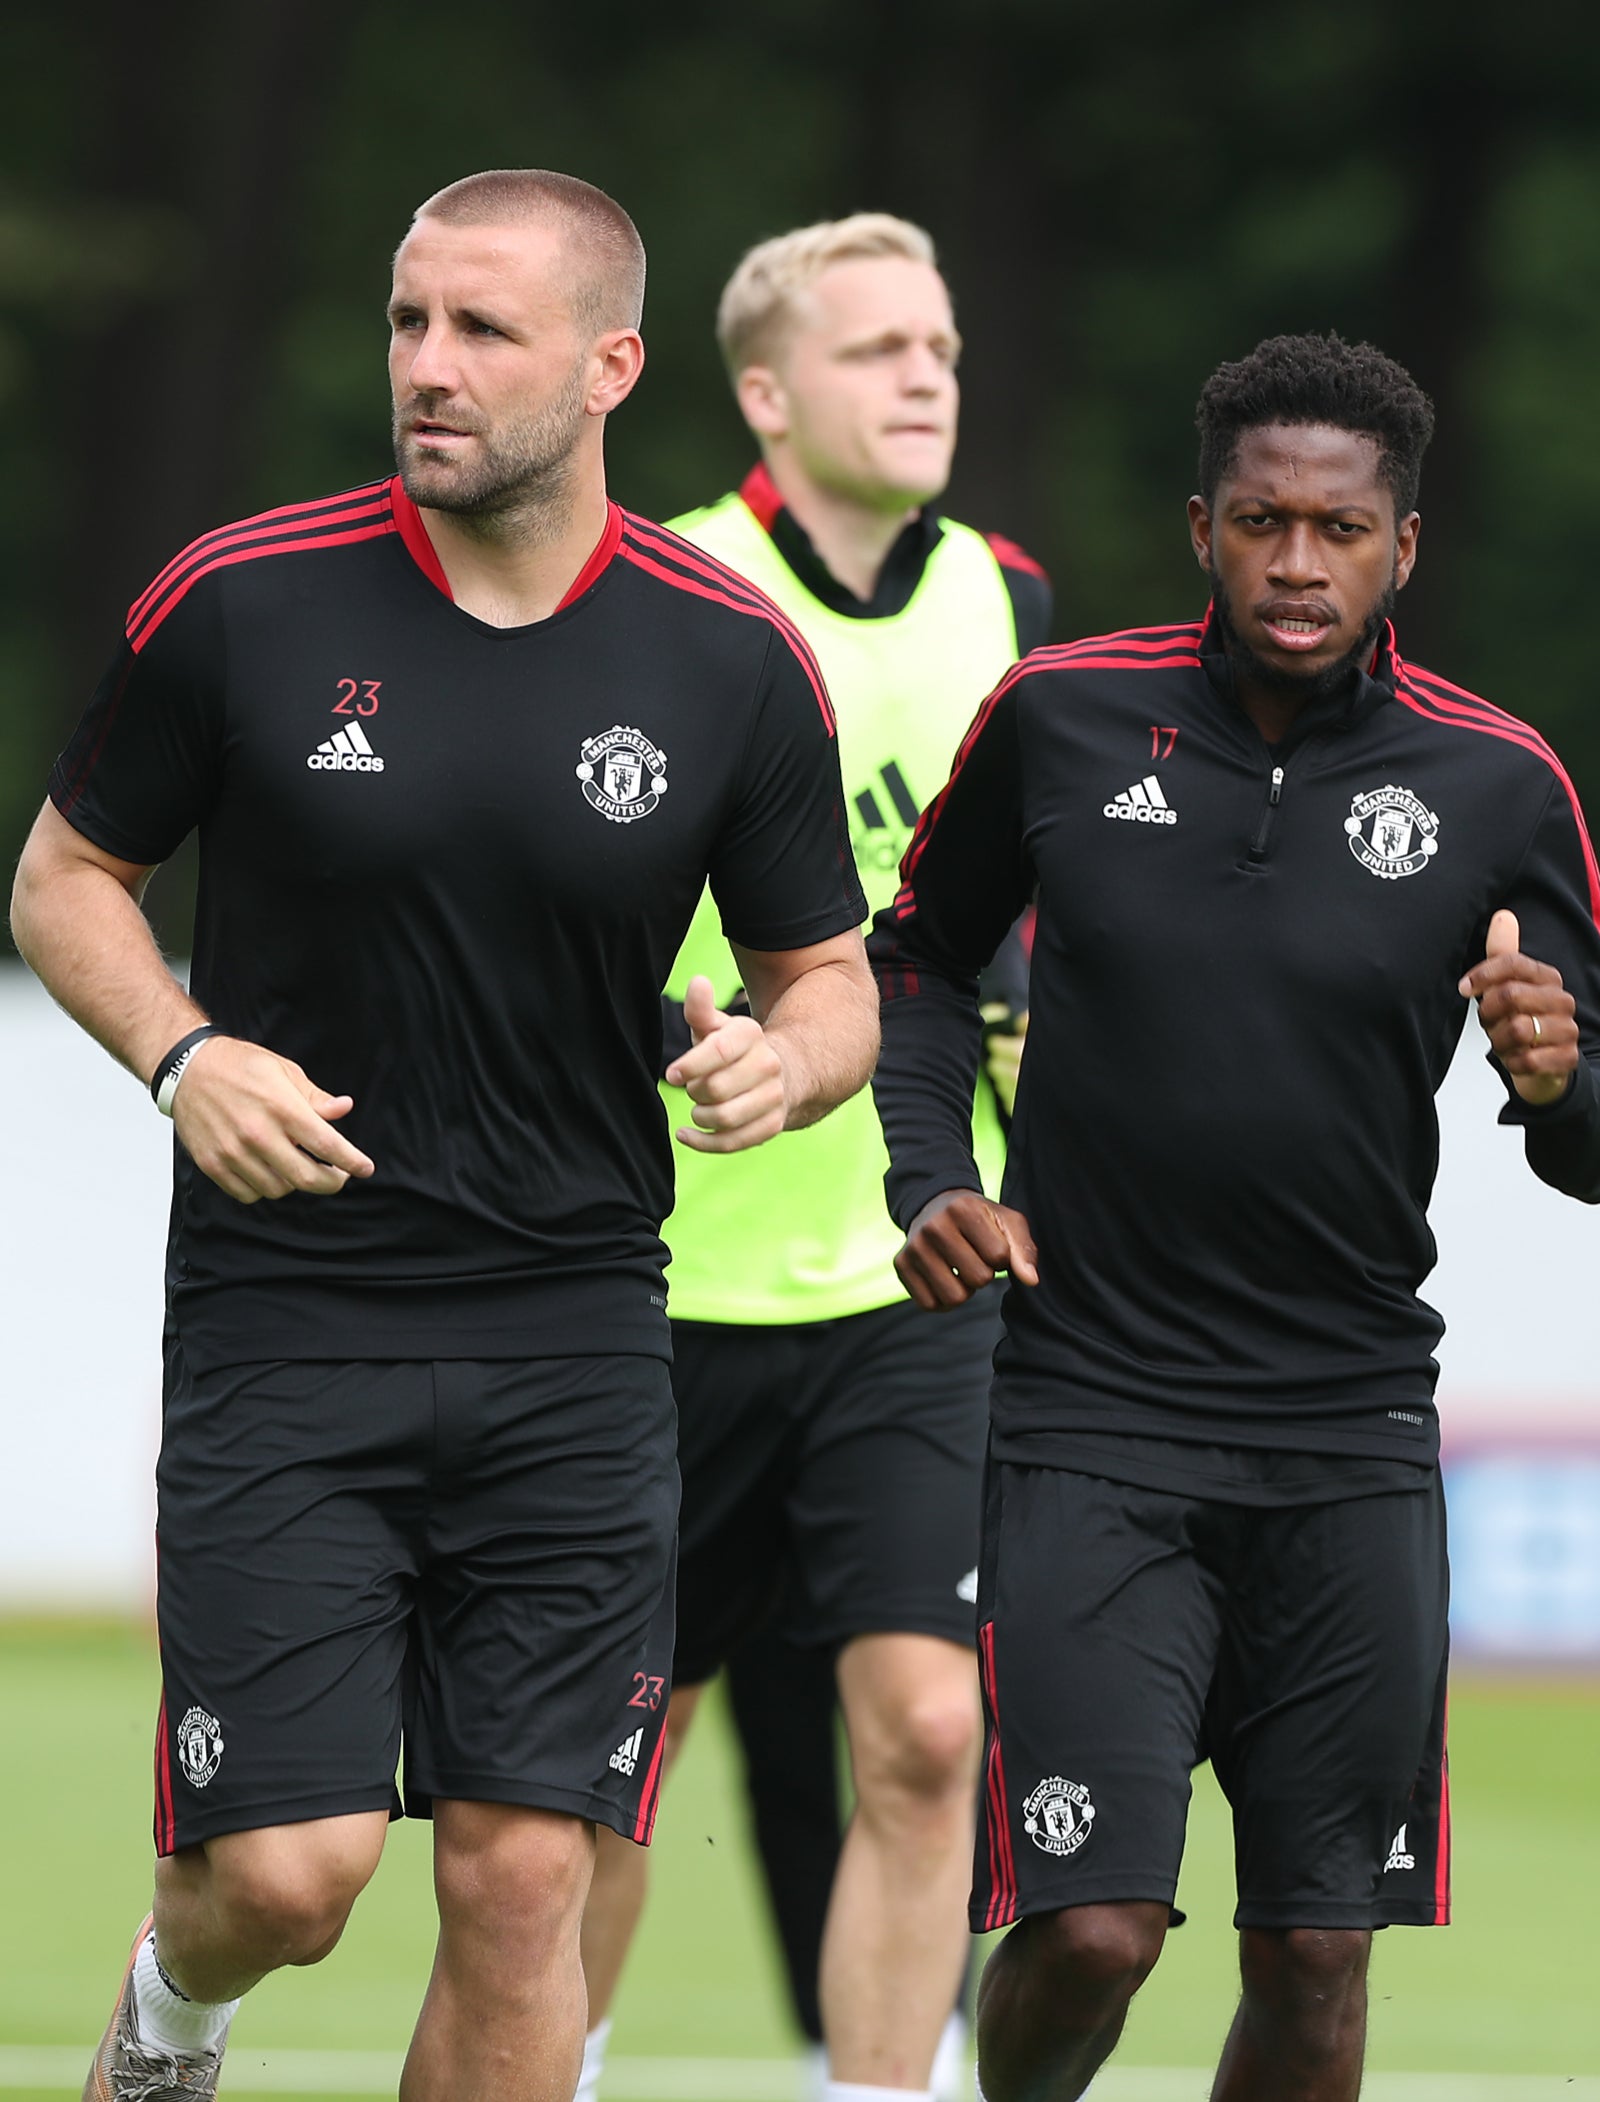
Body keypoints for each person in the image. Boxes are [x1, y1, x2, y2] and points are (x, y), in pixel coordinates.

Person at [9, 169, 877, 2102]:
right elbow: (64, 879)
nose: (428, 366)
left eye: (483, 330)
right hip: (285, 1330)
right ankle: (172, 2015)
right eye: (410, 322)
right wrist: (179, 1053)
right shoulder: (241, 599)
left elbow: (833, 980)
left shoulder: (726, 655)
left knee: (517, 1877)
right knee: (293, 1877)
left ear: (610, 363)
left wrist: (786, 1066)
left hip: (576, 1341)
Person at [871, 332, 1600, 2102]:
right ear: (1201, 528)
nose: (1298, 563)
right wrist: (932, 1178)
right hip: (1088, 1412)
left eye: (1340, 529)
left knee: (1315, 1953)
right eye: (1261, 521)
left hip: (1348, 1429)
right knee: (1092, 1929)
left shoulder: (1499, 781)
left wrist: (1551, 1076)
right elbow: (914, 957)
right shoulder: (1064, 712)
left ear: (1405, 548)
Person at [568, 212, 1048, 2102]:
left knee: (930, 1732)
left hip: (902, 1273)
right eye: (876, 351)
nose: (926, 374)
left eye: (938, 344)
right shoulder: (665, 584)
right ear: (766, 394)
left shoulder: (1007, 594)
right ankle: (559, 2063)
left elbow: (1020, 888)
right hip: (651, 1276)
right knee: (610, 1761)